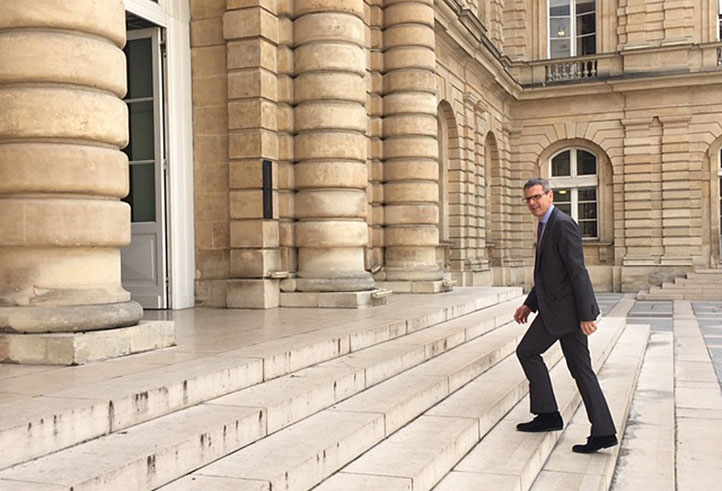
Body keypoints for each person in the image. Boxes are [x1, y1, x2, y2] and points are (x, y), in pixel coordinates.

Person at [513, 177, 617, 454]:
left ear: (550, 196)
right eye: (528, 199)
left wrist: (587, 314)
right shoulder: (547, 224)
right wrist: (529, 304)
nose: (533, 203)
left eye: (537, 197)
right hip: (557, 309)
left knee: (527, 351)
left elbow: (577, 270)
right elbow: (549, 275)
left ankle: (549, 415)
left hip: (564, 313)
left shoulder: (562, 224)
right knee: (580, 370)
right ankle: (602, 431)